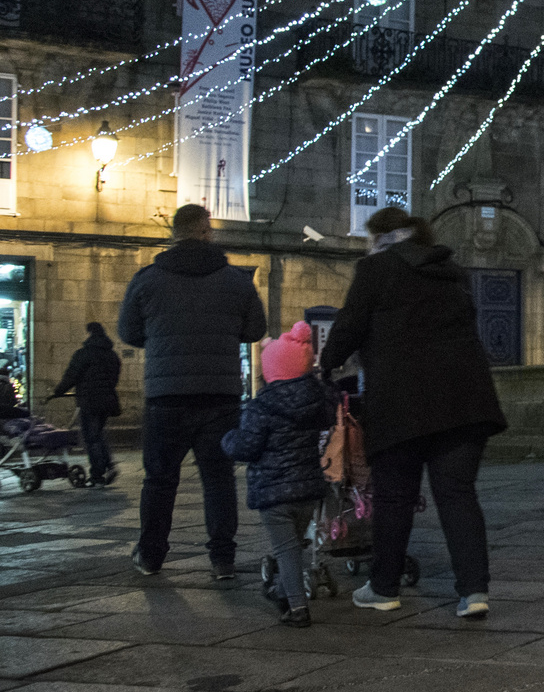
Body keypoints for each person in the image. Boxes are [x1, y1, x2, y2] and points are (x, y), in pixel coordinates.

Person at [320, 208, 508, 619]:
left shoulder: (375, 269)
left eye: (373, 238)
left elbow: (350, 324)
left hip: (402, 400)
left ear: (387, 238)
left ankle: (384, 587)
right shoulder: (453, 272)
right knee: (458, 495)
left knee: (394, 498)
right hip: (465, 399)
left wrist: (326, 364)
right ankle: (474, 591)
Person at [118, 204, 266, 580]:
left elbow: (129, 333)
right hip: (219, 395)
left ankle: (151, 555)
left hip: (165, 395)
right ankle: (222, 560)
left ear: (173, 233)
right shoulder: (235, 280)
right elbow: (255, 331)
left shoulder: (147, 279)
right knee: (217, 479)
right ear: (207, 232)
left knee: (160, 478)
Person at [222, 321, 336, 628]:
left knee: (286, 550)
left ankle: (296, 608)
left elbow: (246, 447)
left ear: (272, 370)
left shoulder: (262, 407)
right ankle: (280, 589)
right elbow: (330, 410)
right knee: (293, 547)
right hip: (308, 489)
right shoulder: (315, 401)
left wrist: (227, 439)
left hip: (274, 492)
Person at [50, 322, 123, 486]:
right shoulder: (112, 355)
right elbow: (114, 378)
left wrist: (58, 391)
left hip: (89, 401)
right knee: (97, 434)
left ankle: (97, 474)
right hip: (107, 401)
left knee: (91, 438)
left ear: (89, 333)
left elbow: (71, 375)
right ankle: (109, 465)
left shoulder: (84, 354)